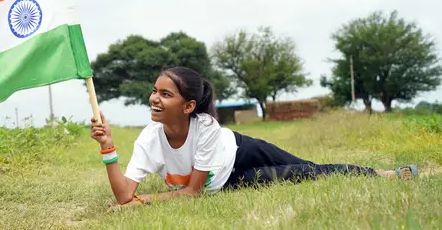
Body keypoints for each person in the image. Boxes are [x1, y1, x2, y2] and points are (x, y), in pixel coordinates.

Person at [90, 66, 418, 207]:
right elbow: (123, 196)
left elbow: (191, 193)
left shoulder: (206, 128)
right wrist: (108, 148)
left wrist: (143, 201)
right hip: (230, 182)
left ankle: (382, 174)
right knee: (295, 177)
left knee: (310, 171)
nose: (154, 98)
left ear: (189, 106)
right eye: (154, 91)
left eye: (166, 93)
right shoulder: (149, 138)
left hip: (244, 152)